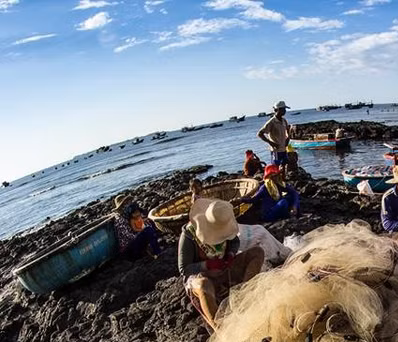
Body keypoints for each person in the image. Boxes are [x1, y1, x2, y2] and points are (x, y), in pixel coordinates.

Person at [178, 197, 264, 329]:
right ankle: (220, 328)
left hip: (224, 267)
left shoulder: (224, 224)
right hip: (202, 275)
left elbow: (234, 241)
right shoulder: (189, 235)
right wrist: (207, 265)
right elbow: (184, 268)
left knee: (257, 252)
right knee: (204, 285)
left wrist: (230, 255)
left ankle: (244, 295)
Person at [112, 194, 163, 260]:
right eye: (125, 204)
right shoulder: (120, 220)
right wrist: (143, 231)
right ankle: (157, 252)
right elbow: (129, 237)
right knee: (148, 230)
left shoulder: (128, 216)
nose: (127, 204)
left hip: (134, 242)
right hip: (129, 249)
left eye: (128, 202)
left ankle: (155, 248)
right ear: (121, 207)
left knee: (150, 224)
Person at [257, 100, 291, 176]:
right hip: (276, 150)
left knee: (284, 164)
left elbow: (288, 129)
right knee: (275, 167)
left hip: (283, 148)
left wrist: (288, 138)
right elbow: (260, 134)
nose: (284, 111)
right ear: (276, 110)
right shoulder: (271, 122)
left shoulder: (284, 120)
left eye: (285, 109)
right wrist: (271, 142)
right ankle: (277, 181)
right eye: (282, 109)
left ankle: (283, 180)